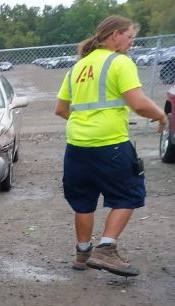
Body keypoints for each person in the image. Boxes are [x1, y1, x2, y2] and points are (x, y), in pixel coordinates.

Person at [55, 15, 167, 277]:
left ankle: (82, 253)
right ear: (115, 35)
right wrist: (161, 115)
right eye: (130, 36)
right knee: (129, 194)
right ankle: (106, 249)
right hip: (111, 145)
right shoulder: (120, 62)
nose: (132, 42)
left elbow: (61, 109)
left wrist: (85, 123)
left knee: (83, 201)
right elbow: (138, 103)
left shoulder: (78, 67)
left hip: (76, 147)